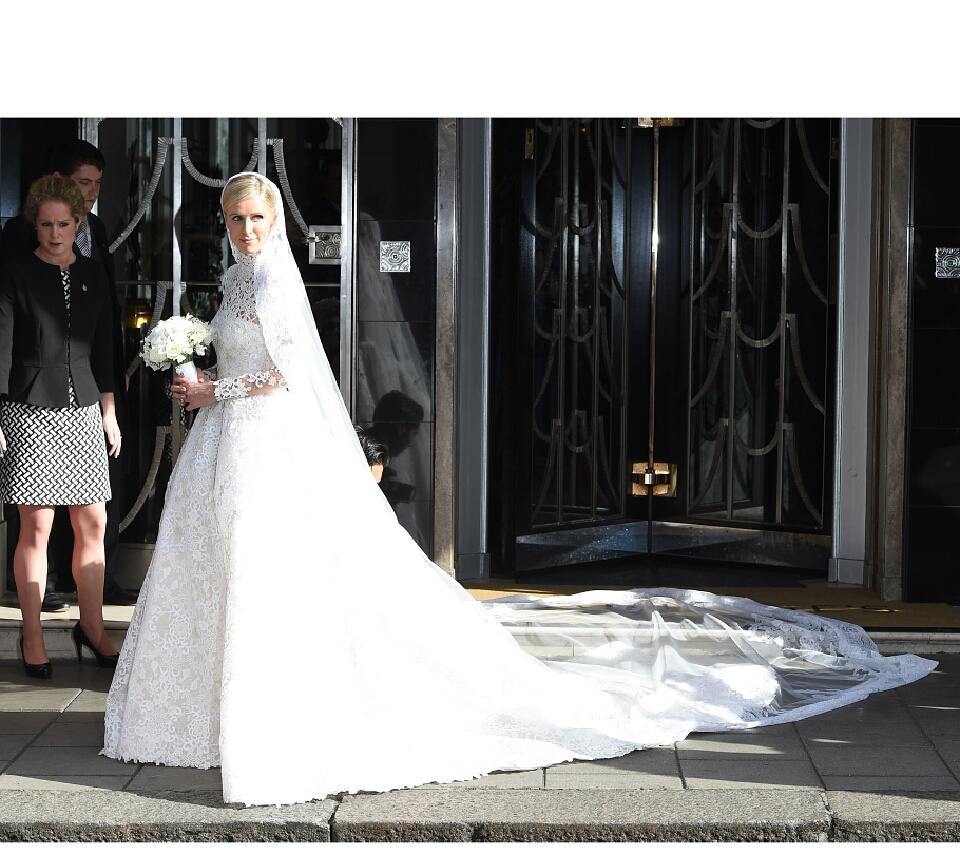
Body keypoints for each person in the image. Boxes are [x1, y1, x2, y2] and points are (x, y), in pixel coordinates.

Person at [101, 173, 936, 807]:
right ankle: (213, 718)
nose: (248, 230)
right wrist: (202, 374)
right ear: (224, 222)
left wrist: (218, 391)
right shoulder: (240, 279)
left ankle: (274, 725)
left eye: (259, 218)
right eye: (237, 219)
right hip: (228, 447)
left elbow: (286, 377)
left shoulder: (278, 281)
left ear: (275, 220)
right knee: (228, 579)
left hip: (263, 445)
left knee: (269, 582)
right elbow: (249, 360)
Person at [0, 140, 132, 608]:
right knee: (36, 521)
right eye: (84, 183)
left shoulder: (94, 251)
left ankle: (92, 617)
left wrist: (110, 404)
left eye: (97, 184)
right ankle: (36, 609)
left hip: (84, 399)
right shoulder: (17, 258)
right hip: (31, 400)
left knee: (92, 518)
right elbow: (6, 340)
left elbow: (102, 334)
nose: (57, 233)